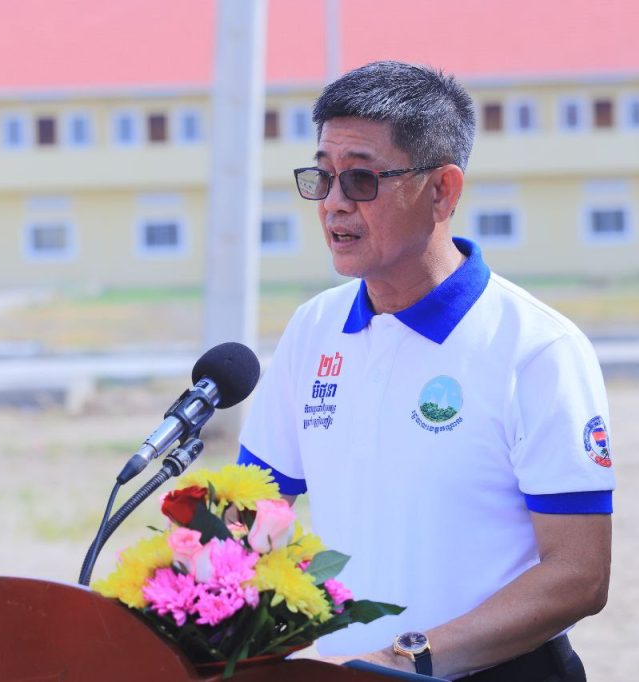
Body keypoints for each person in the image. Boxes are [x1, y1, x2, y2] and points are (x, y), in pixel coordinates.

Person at [237, 61, 614, 681]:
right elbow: (255, 511)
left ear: (442, 190)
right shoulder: (313, 329)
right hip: (343, 672)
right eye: (323, 178)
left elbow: (579, 575)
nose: (334, 204)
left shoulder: (537, 348)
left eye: (361, 179)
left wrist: (402, 659)